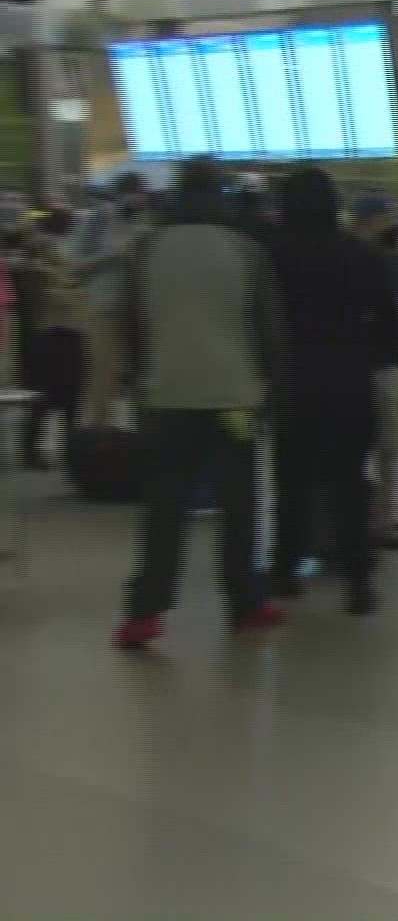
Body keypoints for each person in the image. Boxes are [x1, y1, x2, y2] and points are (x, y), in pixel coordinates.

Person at [113, 158, 286, 651]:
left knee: (164, 508)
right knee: (239, 506)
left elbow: (132, 321)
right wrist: (271, 388)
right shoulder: (246, 249)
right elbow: (268, 331)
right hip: (235, 398)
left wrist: (140, 380)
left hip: (165, 396)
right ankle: (245, 602)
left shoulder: (147, 248)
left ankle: (143, 614)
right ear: (223, 194)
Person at [267, 169, 398, 615]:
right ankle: (358, 581)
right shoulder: (359, 256)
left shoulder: (273, 255)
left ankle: (286, 571)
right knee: (348, 482)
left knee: (292, 482)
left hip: (291, 381)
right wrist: (372, 356)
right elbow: (390, 322)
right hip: (348, 379)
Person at [350, 193, 398, 551]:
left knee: (360, 446)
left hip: (355, 363)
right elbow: (397, 309)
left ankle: (368, 515)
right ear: (375, 219)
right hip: (384, 363)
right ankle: (382, 520)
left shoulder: (347, 253)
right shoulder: (379, 259)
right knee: (388, 446)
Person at [74, 172, 149, 428]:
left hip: (139, 308)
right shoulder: (96, 222)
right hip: (103, 305)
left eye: (141, 195)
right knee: (103, 374)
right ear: (120, 195)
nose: (138, 201)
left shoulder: (147, 223)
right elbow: (76, 266)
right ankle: (100, 435)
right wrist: (113, 255)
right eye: (134, 194)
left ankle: (142, 434)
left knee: (143, 376)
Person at [18, 205, 86, 471]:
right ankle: (65, 451)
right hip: (66, 331)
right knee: (66, 398)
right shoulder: (51, 255)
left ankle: (33, 449)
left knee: (43, 398)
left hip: (47, 334)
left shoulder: (39, 257)